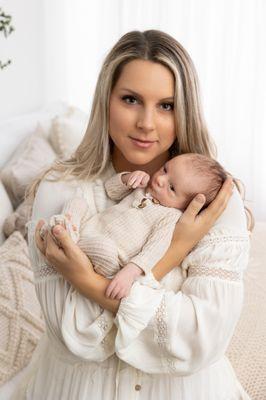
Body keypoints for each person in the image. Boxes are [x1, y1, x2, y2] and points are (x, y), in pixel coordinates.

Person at [11, 30, 251, 399]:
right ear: (105, 101)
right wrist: (176, 252)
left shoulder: (214, 200)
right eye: (130, 99)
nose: (146, 123)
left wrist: (87, 283)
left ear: (185, 110)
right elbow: (77, 334)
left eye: (166, 105)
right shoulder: (59, 191)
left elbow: (199, 339)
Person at [39, 153, 228, 301]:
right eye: (165, 169)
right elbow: (110, 190)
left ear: (186, 206)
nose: (161, 180)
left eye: (172, 188)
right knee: (78, 202)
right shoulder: (144, 188)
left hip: (111, 257)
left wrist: (130, 272)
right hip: (90, 227)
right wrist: (127, 179)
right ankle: (67, 230)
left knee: (103, 248)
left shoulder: (170, 217)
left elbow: (154, 248)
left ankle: (66, 243)